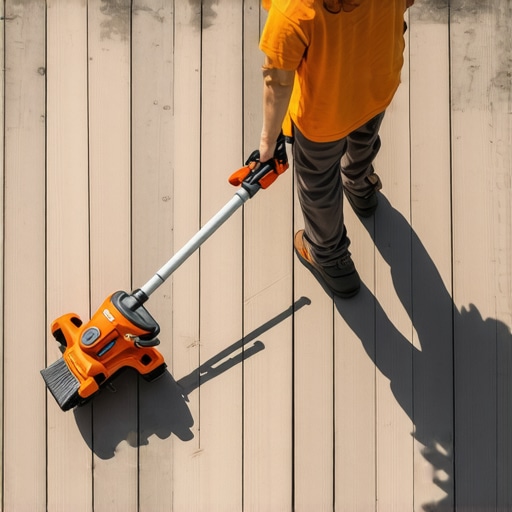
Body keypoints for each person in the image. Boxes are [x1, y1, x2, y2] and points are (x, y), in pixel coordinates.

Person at [258, 0, 414, 298]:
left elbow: (279, 82)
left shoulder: (293, 9)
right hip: (377, 81)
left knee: (316, 182)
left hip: (323, 114)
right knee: (363, 138)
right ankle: (360, 186)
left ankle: (331, 259)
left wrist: (268, 142)